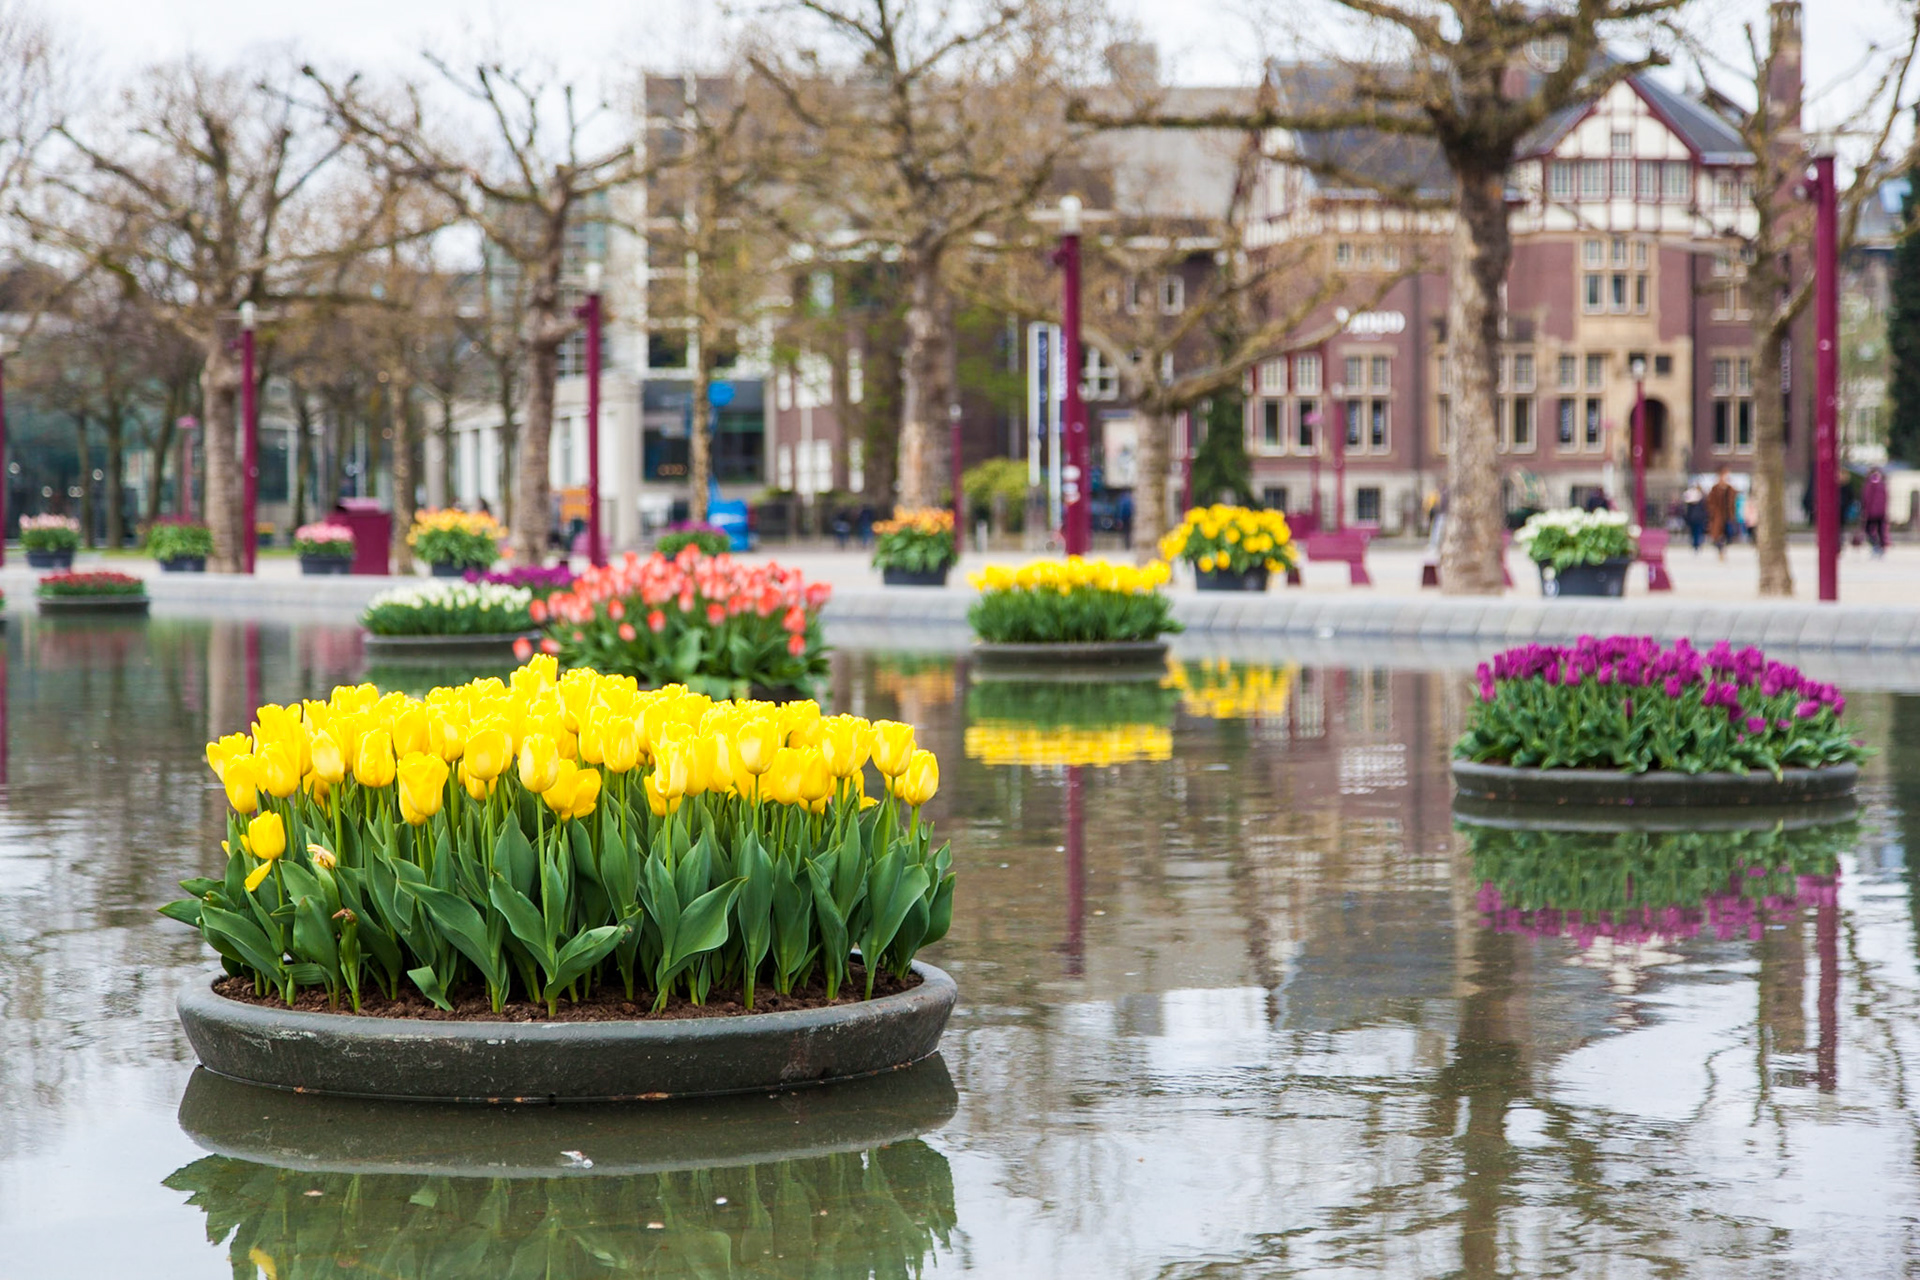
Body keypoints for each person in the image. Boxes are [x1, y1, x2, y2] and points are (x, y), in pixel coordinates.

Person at [1707, 467, 1737, 560]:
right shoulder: (1715, 489)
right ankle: (1720, 550)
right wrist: (1712, 512)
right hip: (1718, 516)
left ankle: (1723, 549)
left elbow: (1733, 502)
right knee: (1718, 535)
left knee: (1728, 535)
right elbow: (1710, 502)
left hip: (1728, 516)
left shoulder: (1730, 489)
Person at [1864, 467, 1890, 556]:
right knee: (1880, 530)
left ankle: (1875, 544)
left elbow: (1867, 498)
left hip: (1872, 511)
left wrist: (1865, 509)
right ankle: (1880, 545)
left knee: (1868, 529)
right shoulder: (1882, 484)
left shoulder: (1870, 484)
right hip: (1881, 512)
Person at [1682, 484, 1707, 552]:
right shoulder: (1700, 499)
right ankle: (1696, 544)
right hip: (1696, 518)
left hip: (1696, 518)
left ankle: (1696, 544)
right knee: (1696, 532)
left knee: (1696, 532)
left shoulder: (1700, 499)